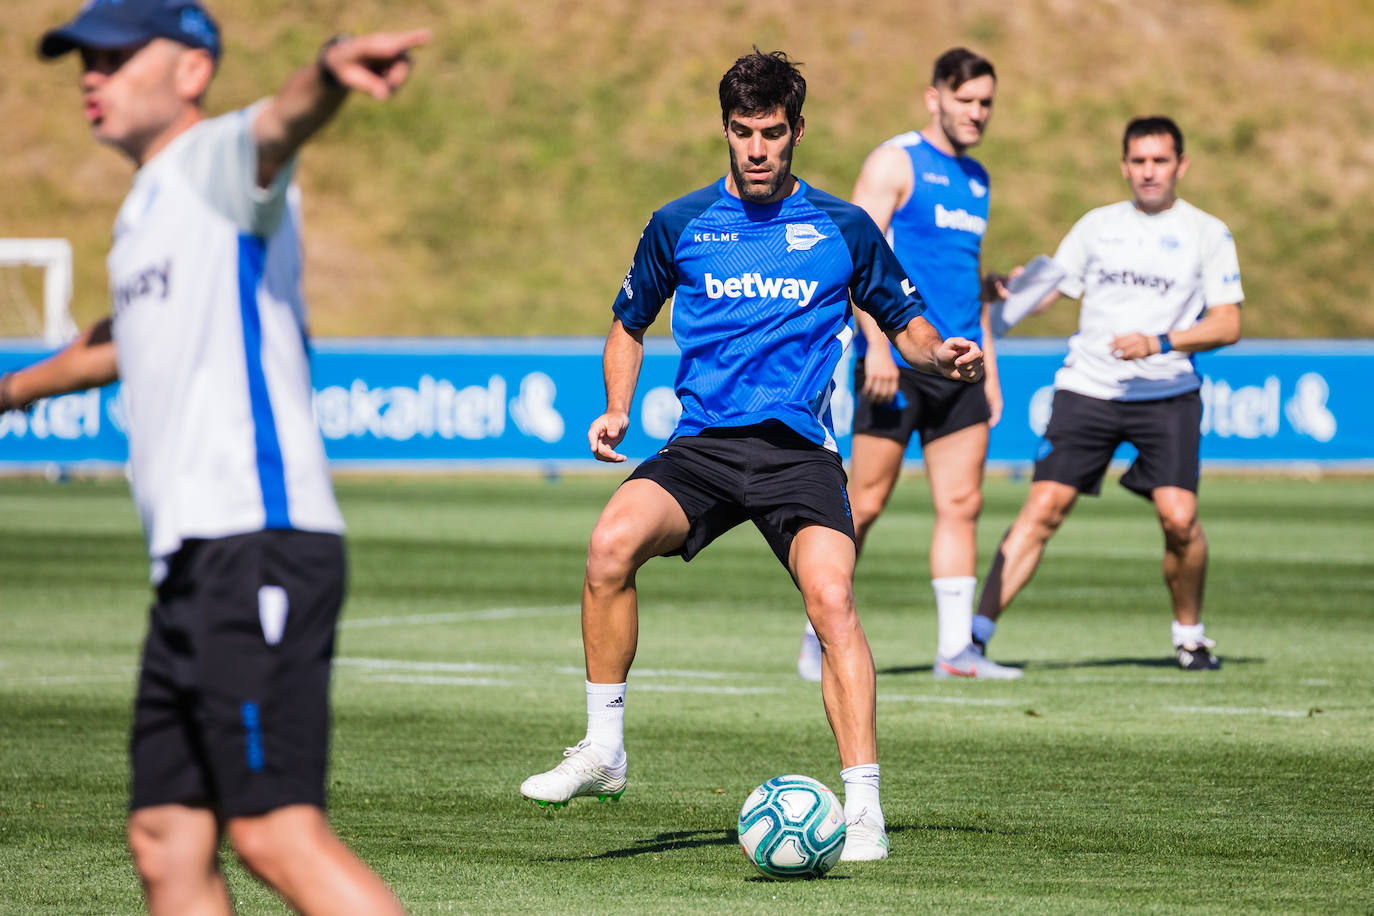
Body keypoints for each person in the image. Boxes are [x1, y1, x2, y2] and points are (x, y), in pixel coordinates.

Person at [1, 2, 429, 911]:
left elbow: (280, 124)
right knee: (166, 837)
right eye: (85, 58)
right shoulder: (146, 208)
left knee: (275, 831)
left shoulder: (215, 164)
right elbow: (121, 343)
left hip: (256, 538)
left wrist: (328, 69)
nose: (92, 74)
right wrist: (13, 391)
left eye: (115, 56)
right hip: (194, 560)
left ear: (191, 70)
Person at [518, 49, 984, 864]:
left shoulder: (843, 229)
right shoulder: (681, 224)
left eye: (773, 132)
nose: (758, 149)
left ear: (797, 131)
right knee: (608, 545)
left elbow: (904, 322)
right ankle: (603, 748)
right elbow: (630, 320)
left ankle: (864, 807)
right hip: (702, 447)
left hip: (798, 452)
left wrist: (941, 356)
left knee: (833, 599)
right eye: (743, 132)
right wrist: (619, 408)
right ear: (726, 131)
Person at [975, 116, 1243, 671]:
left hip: (1168, 392)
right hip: (1088, 388)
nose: (1149, 172)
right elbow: (1047, 291)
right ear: (1124, 166)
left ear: (1181, 165)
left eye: (1160, 161)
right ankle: (972, 641)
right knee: (1043, 508)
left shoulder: (1207, 233)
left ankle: (1189, 637)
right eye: (1139, 161)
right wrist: (1011, 289)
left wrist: (1161, 341)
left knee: (1180, 519)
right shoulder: (1097, 226)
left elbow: (1227, 324)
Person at [795, 47, 1021, 682]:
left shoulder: (978, 178)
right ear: (934, 98)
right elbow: (853, 255)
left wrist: (991, 365)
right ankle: (819, 630)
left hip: (960, 362)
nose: (977, 113)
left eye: (986, 103)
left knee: (963, 502)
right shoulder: (896, 161)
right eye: (966, 100)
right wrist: (874, 345)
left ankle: (956, 652)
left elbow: (964, 280)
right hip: (894, 360)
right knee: (862, 505)